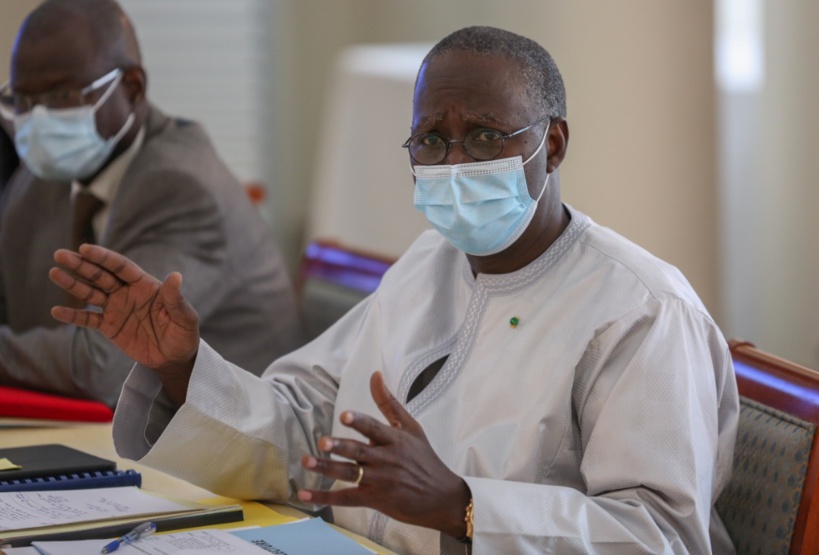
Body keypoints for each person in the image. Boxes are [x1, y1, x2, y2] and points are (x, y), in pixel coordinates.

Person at [50, 26, 739, 554]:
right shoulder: (427, 263)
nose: (454, 161)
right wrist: (181, 370)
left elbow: (660, 534)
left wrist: (463, 505)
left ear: (552, 145)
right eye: (431, 141)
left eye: (484, 136)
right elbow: (307, 430)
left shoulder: (640, 310)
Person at [0, 0, 300, 407]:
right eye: (21, 101)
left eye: (62, 95)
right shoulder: (44, 175)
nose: (36, 121)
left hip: (223, 443)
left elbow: (106, 365)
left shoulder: (180, 186)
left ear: (132, 88)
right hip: (118, 428)